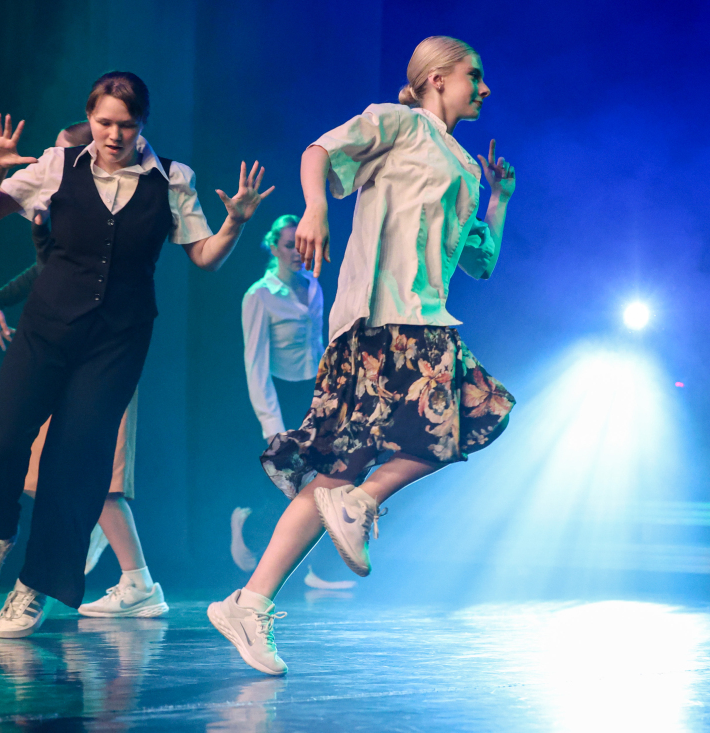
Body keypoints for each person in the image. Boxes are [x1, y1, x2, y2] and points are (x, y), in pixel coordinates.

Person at [209, 36, 517, 676]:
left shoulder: (463, 164)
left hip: (421, 317)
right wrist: (315, 207)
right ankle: (363, 501)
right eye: (474, 75)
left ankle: (249, 601)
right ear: (437, 78)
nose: (484, 88)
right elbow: (318, 151)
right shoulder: (399, 122)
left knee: (334, 477)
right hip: (382, 319)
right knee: (473, 413)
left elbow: (481, 262)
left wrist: (499, 200)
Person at [0, 71, 273, 639]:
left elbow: (205, 257)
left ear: (143, 124)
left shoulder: (172, 179)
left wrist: (235, 223)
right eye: (104, 122)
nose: (114, 135)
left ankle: (33, 588)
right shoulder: (58, 164)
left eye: (127, 125)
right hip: (46, 328)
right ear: (90, 117)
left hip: (117, 341)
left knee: (76, 466)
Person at [0, 119, 158, 614]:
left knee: (93, 479)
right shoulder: (55, 208)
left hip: (105, 356)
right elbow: (47, 270)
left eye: (63, 156)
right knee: (22, 452)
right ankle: (8, 538)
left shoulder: (121, 208)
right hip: (58, 349)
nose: (53, 166)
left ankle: (129, 580)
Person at [233, 214, 355, 595]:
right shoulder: (259, 295)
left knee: (325, 479)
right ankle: (247, 526)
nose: (298, 253)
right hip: (279, 396)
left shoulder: (312, 285)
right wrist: (272, 426)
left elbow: (318, 344)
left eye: (301, 245)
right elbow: (255, 365)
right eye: (289, 245)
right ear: (273, 247)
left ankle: (318, 567)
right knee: (290, 489)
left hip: (313, 393)